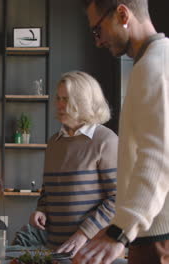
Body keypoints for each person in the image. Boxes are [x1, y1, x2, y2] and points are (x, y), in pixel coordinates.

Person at [74, 1, 169, 263]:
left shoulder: (155, 66)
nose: (98, 41)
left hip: (157, 238)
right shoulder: (152, 63)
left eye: (98, 29)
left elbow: (159, 157)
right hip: (149, 233)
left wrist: (121, 230)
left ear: (123, 14)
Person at [28, 71, 118, 256]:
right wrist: (41, 210)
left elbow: (119, 198)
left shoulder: (106, 140)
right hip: (56, 249)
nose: (60, 105)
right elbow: (48, 191)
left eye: (67, 100)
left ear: (85, 102)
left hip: (93, 250)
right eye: (59, 98)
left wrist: (83, 234)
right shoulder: (54, 142)